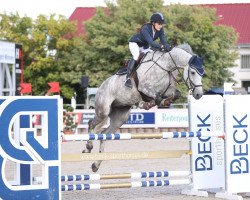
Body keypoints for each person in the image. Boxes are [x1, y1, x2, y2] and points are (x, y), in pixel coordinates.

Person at [124, 12, 171, 89]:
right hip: (135, 44)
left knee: (153, 56)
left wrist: (167, 46)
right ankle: (128, 78)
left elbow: (164, 41)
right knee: (136, 56)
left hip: (144, 46)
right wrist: (162, 46)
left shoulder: (160, 30)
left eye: (162, 24)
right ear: (153, 23)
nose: (161, 25)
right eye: (159, 23)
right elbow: (151, 43)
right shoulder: (145, 28)